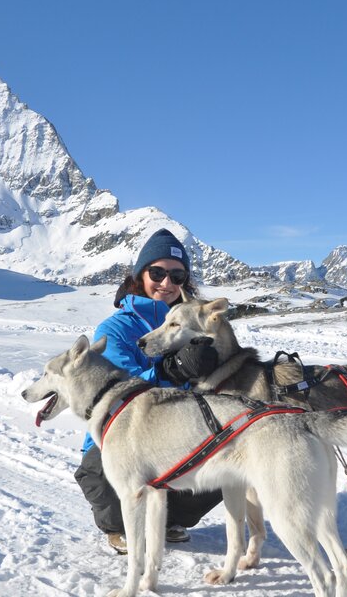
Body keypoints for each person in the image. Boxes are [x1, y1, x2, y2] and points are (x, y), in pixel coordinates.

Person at [74, 228, 223, 554]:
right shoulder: (115, 328)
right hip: (119, 434)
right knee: (112, 487)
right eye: (157, 273)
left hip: (177, 433)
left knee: (226, 460)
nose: (166, 283)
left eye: (177, 275)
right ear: (140, 274)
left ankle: (168, 519)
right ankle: (119, 526)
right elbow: (116, 390)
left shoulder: (196, 323)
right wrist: (171, 370)